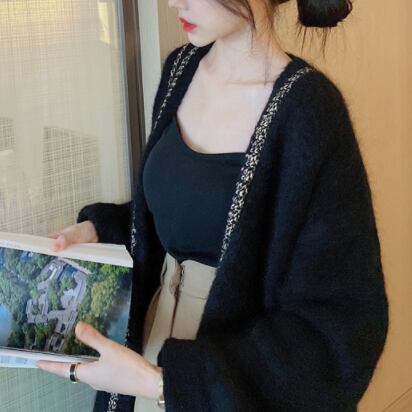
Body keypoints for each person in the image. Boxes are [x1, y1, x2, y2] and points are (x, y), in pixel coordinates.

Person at [36, 0, 389, 411]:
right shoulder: (181, 70)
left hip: (220, 393)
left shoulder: (310, 113)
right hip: (141, 359)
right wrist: (104, 229)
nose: (173, 2)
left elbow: (340, 329)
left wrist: (166, 383)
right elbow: (189, 208)